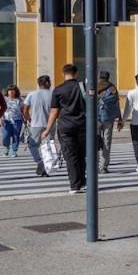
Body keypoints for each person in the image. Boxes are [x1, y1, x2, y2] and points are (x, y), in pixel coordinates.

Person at [42, 64, 87, 194]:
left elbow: (54, 112)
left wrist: (47, 129)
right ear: (76, 73)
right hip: (83, 125)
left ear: (63, 74)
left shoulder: (58, 90)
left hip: (65, 126)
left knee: (70, 156)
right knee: (81, 154)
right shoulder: (83, 87)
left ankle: (74, 185)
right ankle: (82, 182)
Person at [22, 75, 54, 177]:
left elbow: (25, 110)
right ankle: (45, 166)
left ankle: (39, 161)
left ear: (39, 84)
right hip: (50, 124)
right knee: (47, 147)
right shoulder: (53, 94)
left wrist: (30, 120)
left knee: (33, 145)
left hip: (36, 124)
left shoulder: (32, 94)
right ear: (48, 83)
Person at [97, 71, 123, 174]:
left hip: (96, 118)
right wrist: (119, 119)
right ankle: (103, 167)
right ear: (108, 77)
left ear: (99, 77)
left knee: (94, 141)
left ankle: (94, 165)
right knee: (107, 142)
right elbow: (117, 103)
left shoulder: (94, 86)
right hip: (109, 118)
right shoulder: (112, 88)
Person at [1, 85, 24, 158]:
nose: (11, 92)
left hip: (17, 120)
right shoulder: (4, 99)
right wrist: (0, 118)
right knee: (5, 136)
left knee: (16, 136)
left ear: (16, 92)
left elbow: (23, 110)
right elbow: (0, 109)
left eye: (13, 90)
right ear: (7, 91)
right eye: (10, 90)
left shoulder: (20, 100)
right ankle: (6, 147)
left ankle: (14, 150)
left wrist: (25, 119)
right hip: (6, 120)